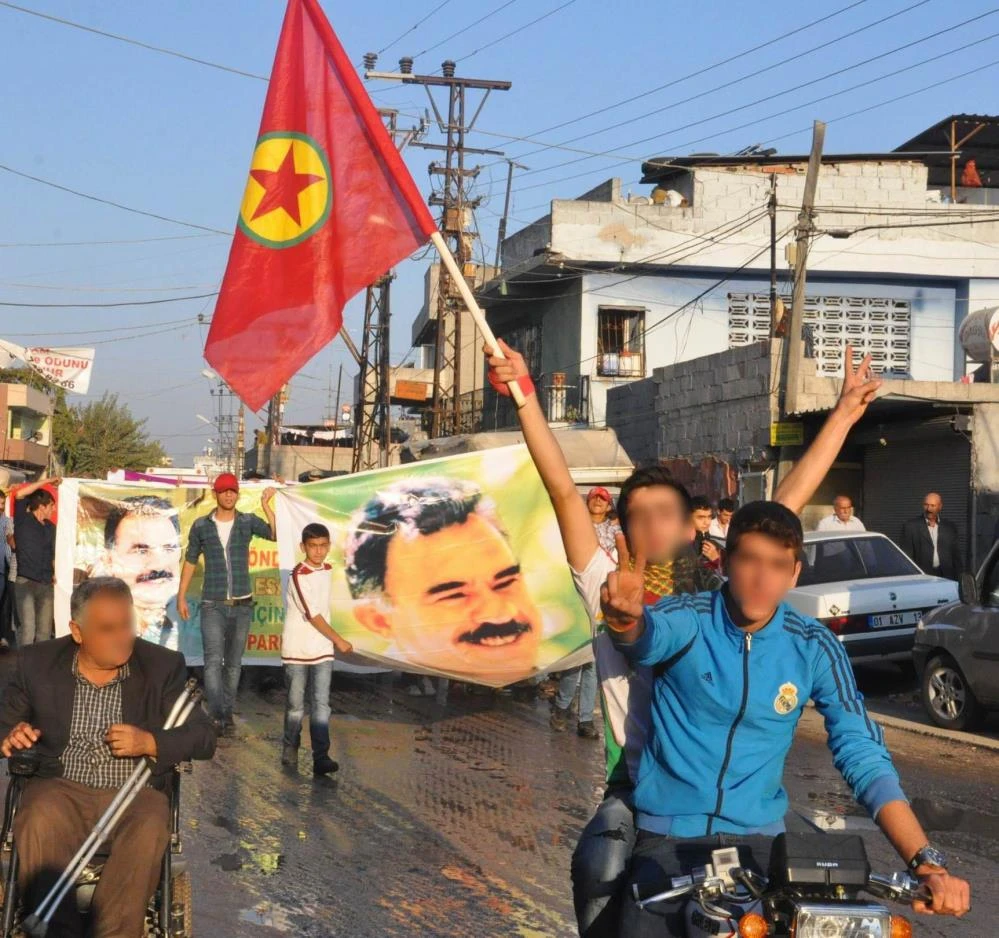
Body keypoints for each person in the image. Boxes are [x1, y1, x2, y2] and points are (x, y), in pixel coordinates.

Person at [486, 339, 886, 938]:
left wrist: (845, 415)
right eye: (637, 514)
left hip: (726, 804)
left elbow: (785, 504)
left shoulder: (718, 590)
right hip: (640, 790)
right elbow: (562, 489)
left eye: (665, 512)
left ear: (687, 525)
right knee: (599, 866)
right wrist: (524, 396)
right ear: (621, 528)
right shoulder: (604, 584)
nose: (652, 524)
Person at [603, 503, 971, 936]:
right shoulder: (688, 618)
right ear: (726, 562)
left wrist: (925, 861)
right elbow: (643, 638)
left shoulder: (813, 645)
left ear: (795, 573)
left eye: (778, 566)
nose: (763, 579)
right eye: (750, 560)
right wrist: (624, 621)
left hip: (761, 844)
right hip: (669, 838)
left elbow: (862, 752)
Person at [0, 577, 216, 937]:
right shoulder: (37, 663)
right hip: (60, 789)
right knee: (38, 815)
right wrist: (10, 733)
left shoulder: (161, 666)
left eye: (127, 625)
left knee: (151, 823)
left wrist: (151, 742)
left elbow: (204, 735)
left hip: (134, 794)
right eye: (107, 629)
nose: (122, 637)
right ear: (77, 631)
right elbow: (4, 721)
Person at [345, 477, 544, 686]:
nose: (499, 613)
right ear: (379, 621)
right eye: (454, 595)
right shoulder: (381, 697)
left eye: (505, 583)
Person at [177, 474, 277, 733]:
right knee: (213, 662)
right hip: (212, 604)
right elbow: (190, 560)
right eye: (224, 491)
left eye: (232, 491)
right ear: (215, 494)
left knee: (233, 664)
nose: (229, 495)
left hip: (242, 605)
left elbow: (275, 534)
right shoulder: (201, 525)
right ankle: (216, 715)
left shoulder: (247, 521)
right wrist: (181, 595)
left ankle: (227, 712)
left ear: (238, 494)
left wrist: (266, 506)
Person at [281, 522, 352, 775]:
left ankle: (321, 756)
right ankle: (290, 746)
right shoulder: (299, 576)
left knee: (321, 704)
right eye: (313, 546)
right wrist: (339, 640)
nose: (318, 551)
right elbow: (313, 615)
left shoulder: (329, 570)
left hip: (322, 649)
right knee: (296, 705)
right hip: (297, 650)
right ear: (303, 547)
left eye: (323, 546)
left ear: (329, 546)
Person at [92, 495, 185, 650]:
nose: (159, 565)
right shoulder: (94, 623)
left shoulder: (200, 624)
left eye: (168, 549)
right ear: (109, 560)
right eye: (141, 550)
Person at [11, 476, 60, 646]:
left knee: (44, 633)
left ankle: (40, 662)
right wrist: (48, 481)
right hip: (26, 582)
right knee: (28, 630)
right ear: (42, 506)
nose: (53, 509)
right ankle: (23, 662)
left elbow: (52, 554)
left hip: (46, 584)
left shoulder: (51, 528)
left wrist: (55, 573)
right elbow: (20, 494)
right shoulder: (23, 520)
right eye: (51, 506)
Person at [900, 492, 963, 581]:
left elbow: (956, 557)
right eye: (926, 505)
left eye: (933, 506)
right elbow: (906, 557)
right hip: (922, 577)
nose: (929, 509)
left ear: (940, 506)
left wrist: (960, 579)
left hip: (946, 577)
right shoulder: (911, 527)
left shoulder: (949, 527)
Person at [690, 495, 723, 573]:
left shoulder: (715, 544)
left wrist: (716, 560)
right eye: (701, 517)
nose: (707, 522)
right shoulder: (676, 544)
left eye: (709, 517)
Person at [587, 487, 621, 561]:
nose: (598, 499)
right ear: (587, 504)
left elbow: (622, 553)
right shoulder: (578, 525)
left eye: (603, 498)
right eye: (594, 497)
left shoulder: (615, 527)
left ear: (608, 507)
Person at [0, 492, 14, 649]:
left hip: (5, 569)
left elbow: (10, 546)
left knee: (4, 605)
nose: (1, 506)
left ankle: (3, 636)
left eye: (3, 503)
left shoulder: (8, 521)